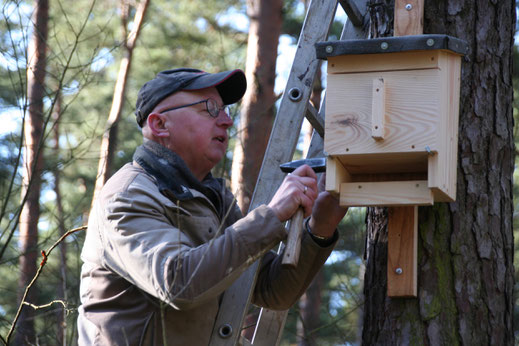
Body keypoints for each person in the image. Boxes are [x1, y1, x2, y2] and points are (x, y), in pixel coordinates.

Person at [77, 68, 347, 345]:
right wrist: (273, 214)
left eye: (226, 110)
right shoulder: (128, 195)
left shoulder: (212, 198)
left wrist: (320, 228)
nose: (227, 121)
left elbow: (271, 290)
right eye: (210, 109)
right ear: (160, 125)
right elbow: (178, 282)